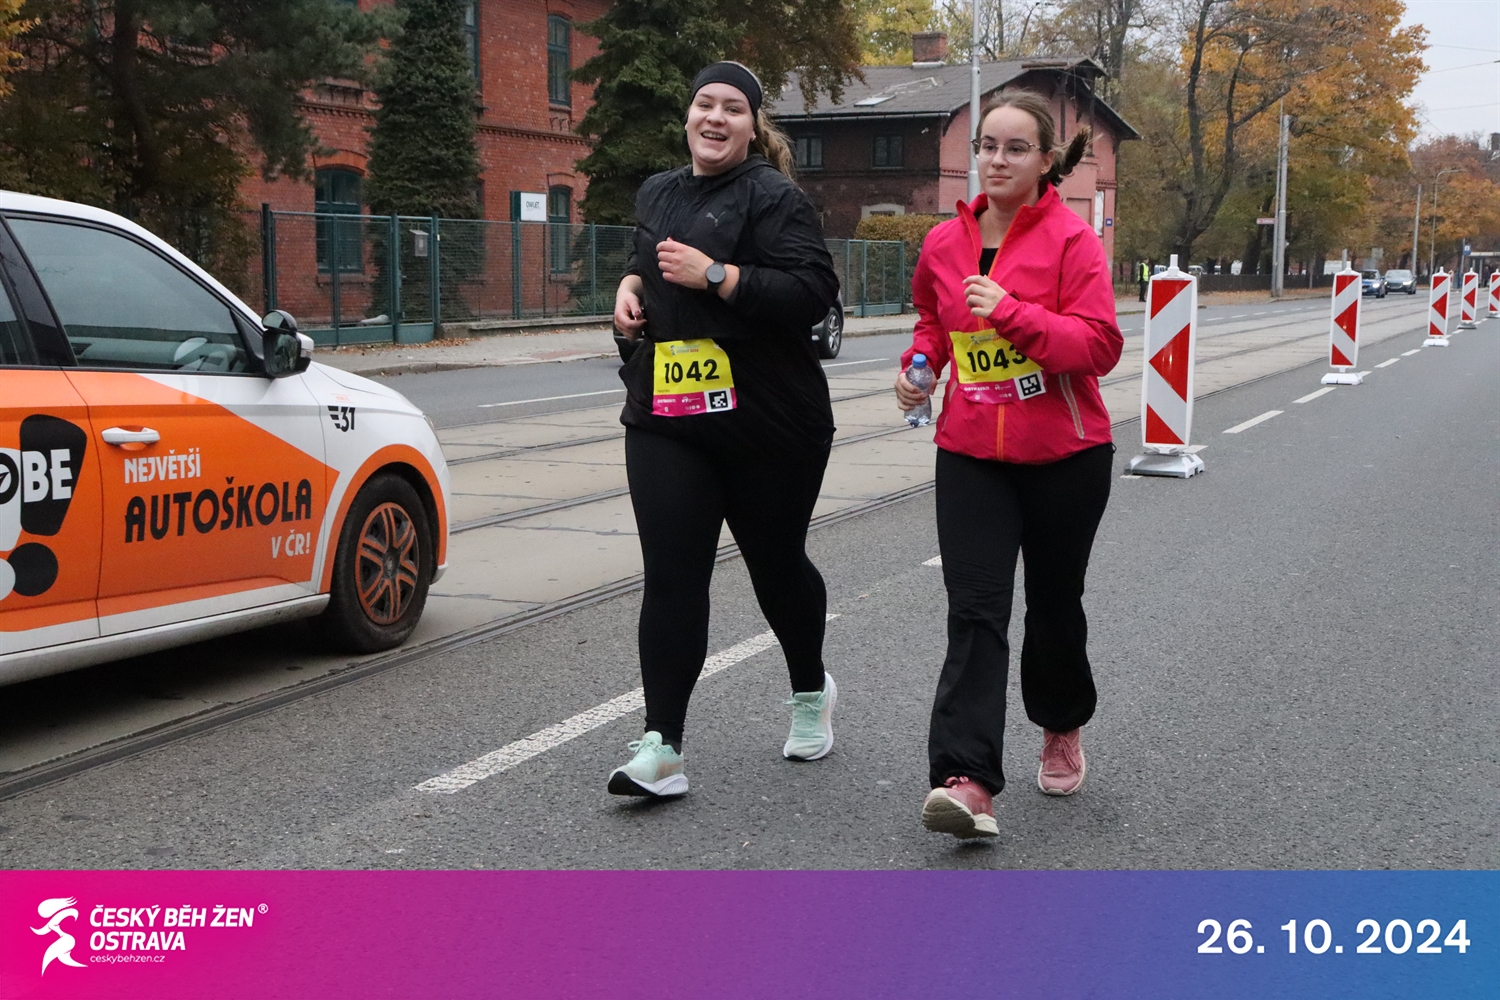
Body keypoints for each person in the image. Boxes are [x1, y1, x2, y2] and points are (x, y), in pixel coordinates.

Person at [605, 61, 841, 798]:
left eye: (732, 108)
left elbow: (813, 293)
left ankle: (810, 690)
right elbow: (648, 259)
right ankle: (662, 747)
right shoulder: (659, 190)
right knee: (673, 574)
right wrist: (631, 286)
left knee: (776, 566)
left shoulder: (774, 197)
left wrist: (718, 275)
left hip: (770, 420)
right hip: (670, 414)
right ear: (688, 116)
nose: (715, 117)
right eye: (704, 103)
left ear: (751, 125)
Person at [894, 90, 1124, 839]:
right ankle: (966, 781)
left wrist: (1013, 314)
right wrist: (920, 367)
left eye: (1015, 148)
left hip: (1065, 456)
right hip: (971, 455)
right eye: (987, 146)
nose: (996, 160)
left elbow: (1099, 346)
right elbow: (934, 323)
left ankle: (1060, 723)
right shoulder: (943, 243)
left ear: (1045, 161)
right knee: (975, 610)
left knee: (1054, 607)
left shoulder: (1072, 242)